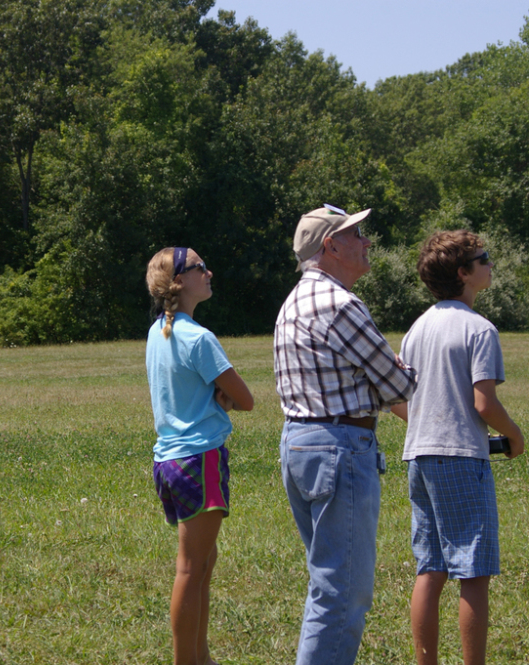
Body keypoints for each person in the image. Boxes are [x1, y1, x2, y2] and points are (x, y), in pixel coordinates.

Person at [274, 204, 417, 665]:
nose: (367, 241)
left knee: (327, 584)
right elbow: (398, 386)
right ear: (330, 246)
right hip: (340, 448)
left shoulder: (292, 302)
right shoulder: (341, 304)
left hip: (299, 444)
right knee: (343, 593)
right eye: (356, 234)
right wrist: (397, 371)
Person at [391, 230, 524, 665]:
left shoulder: (417, 329)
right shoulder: (479, 329)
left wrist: (429, 423)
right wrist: (515, 434)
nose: (490, 264)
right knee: (473, 572)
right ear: (464, 274)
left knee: (430, 567)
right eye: (483, 259)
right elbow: (483, 402)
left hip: (419, 456)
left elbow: (397, 400)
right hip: (463, 458)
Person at [145, 247, 254, 665]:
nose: (209, 272)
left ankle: (202, 656)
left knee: (204, 563)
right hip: (199, 459)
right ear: (178, 282)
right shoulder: (198, 337)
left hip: (168, 461)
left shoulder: (159, 332)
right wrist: (221, 396)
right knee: (191, 570)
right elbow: (244, 399)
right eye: (199, 268)